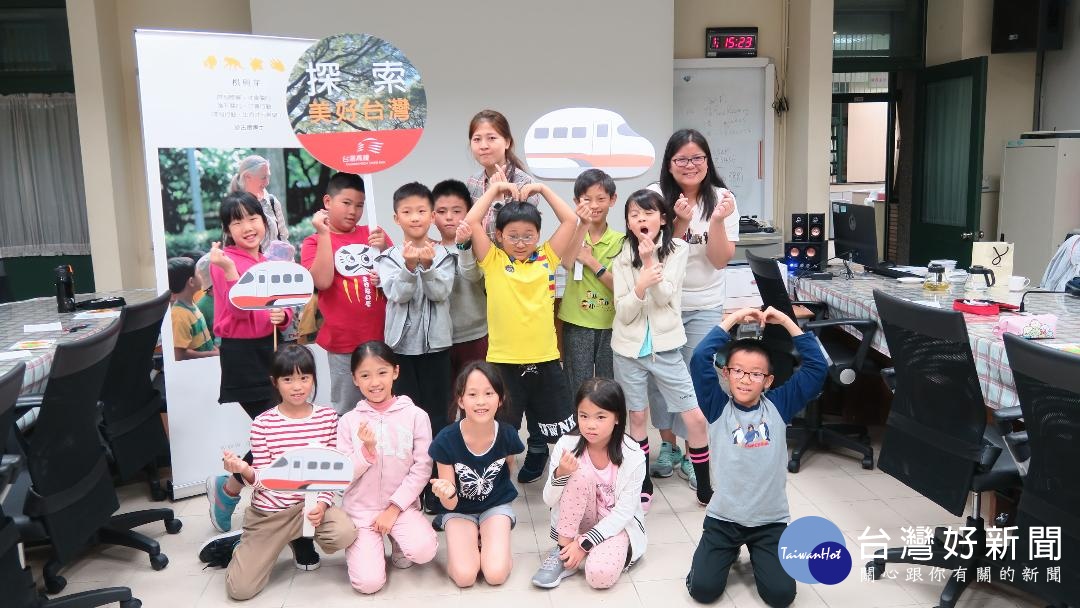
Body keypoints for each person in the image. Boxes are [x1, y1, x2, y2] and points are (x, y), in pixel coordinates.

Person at [685, 306, 827, 607]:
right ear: (726, 373)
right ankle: (728, 550)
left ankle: (757, 551)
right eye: (738, 370)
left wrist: (788, 322)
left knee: (780, 596)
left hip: (770, 521)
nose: (745, 379)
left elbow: (817, 367)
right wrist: (734, 320)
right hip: (724, 519)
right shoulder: (717, 406)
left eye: (755, 374)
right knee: (703, 590)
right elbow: (699, 360)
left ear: (768, 381)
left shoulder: (779, 405)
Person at [196, 346, 356, 600]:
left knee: (344, 532)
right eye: (288, 379)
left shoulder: (327, 418)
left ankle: (300, 539)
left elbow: (331, 473)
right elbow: (262, 480)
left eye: (304, 378)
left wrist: (324, 505)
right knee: (240, 590)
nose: (297, 386)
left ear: (314, 378)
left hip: (309, 509)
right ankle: (240, 543)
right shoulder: (263, 424)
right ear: (275, 382)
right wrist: (244, 470)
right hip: (270, 514)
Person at [464, 179, 579, 484]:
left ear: (538, 236)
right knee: (501, 434)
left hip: (545, 361)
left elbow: (570, 220)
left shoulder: (546, 257)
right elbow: (472, 221)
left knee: (563, 434)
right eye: (512, 236)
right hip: (503, 364)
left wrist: (541, 189)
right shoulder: (493, 260)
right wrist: (495, 189)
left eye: (529, 235)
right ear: (499, 236)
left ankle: (568, 486)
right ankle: (498, 489)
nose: (520, 242)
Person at [646, 129, 739, 487]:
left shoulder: (723, 199)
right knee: (660, 376)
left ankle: (692, 448)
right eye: (681, 159)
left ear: (707, 161)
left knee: (696, 376)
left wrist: (715, 220)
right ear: (669, 165)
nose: (690, 165)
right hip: (662, 303)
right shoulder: (654, 198)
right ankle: (667, 446)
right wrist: (680, 223)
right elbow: (655, 254)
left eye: (697, 158)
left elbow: (719, 260)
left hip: (703, 304)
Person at [610, 189, 714, 508]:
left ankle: (705, 485)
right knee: (637, 417)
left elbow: (666, 297)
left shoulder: (678, 249)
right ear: (627, 222)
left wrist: (649, 262)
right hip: (628, 351)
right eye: (634, 215)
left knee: (694, 417)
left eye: (648, 213)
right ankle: (643, 483)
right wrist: (640, 285)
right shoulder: (620, 257)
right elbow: (624, 312)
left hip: (667, 348)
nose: (641, 219)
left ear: (663, 219)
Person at [205, 193, 294, 537]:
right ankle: (229, 491)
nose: (247, 227)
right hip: (243, 354)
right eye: (237, 221)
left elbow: (285, 311)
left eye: (252, 218)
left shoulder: (272, 259)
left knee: (277, 432)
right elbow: (238, 310)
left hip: (273, 350)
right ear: (227, 229)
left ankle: (227, 489)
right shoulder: (222, 260)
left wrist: (282, 314)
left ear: (264, 220)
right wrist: (229, 271)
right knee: (276, 429)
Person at [337, 341, 438, 594]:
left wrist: (394, 509)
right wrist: (366, 452)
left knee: (423, 551)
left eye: (382, 372)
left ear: (395, 371)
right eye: (365, 375)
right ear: (354, 379)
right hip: (362, 513)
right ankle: (369, 546)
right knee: (368, 584)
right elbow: (342, 475)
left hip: (401, 508)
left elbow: (422, 468)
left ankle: (399, 540)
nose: (375, 382)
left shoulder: (416, 416)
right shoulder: (348, 422)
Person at [531, 378, 647, 590]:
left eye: (601, 417)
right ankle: (562, 551)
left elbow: (623, 514)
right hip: (577, 522)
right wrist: (561, 473)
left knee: (599, 576)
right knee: (578, 472)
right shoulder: (567, 444)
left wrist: (584, 544)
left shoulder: (633, 455)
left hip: (615, 526)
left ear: (617, 418)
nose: (590, 424)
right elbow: (548, 499)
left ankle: (590, 549)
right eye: (583, 416)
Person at [428, 361, 525, 588]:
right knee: (465, 577)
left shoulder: (508, 435)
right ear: (461, 400)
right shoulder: (445, 440)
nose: (481, 401)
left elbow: (508, 468)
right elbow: (449, 504)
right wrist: (446, 492)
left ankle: (489, 535)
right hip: (459, 509)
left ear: (500, 399)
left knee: (495, 575)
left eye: (489, 393)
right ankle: (474, 538)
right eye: (472, 394)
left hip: (495, 506)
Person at [301, 172, 389, 415]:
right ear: (328, 202)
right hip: (343, 342)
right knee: (348, 408)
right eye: (347, 203)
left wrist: (385, 248)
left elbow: (396, 278)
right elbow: (322, 281)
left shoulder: (373, 233)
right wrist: (324, 234)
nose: (353, 211)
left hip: (382, 337)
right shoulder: (313, 241)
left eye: (359, 205)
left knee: (386, 404)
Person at [557, 169, 623, 393]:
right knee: (577, 387)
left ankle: (608, 428)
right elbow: (565, 263)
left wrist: (591, 261)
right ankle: (577, 427)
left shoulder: (621, 241)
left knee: (608, 388)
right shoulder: (571, 234)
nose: (594, 205)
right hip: (577, 322)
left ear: (612, 200)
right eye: (587, 199)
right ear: (576, 201)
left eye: (601, 199)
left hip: (611, 323)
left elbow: (620, 287)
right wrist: (581, 225)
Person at [431, 179, 488, 382]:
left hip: (476, 334)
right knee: (446, 401)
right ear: (432, 215)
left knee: (477, 395)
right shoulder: (429, 250)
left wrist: (463, 247)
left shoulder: (478, 246)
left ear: (469, 212)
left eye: (457, 211)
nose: (449, 217)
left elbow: (473, 276)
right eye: (441, 211)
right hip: (440, 339)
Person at [465, 109, 542, 240]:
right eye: (477, 139)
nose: (483, 146)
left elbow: (514, 241)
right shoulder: (472, 182)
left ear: (507, 142)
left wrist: (498, 204)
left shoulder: (525, 185)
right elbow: (466, 232)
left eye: (491, 138)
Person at [229, 154, 288, 252]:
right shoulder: (233, 206)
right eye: (263, 177)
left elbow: (284, 239)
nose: (267, 182)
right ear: (248, 176)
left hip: (276, 265)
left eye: (268, 177)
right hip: (250, 266)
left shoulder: (272, 202)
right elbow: (229, 245)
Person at [167, 256, 218, 361]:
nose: (201, 276)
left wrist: (214, 351)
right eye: (198, 274)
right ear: (191, 282)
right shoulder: (179, 316)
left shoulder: (192, 306)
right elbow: (179, 355)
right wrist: (212, 354)